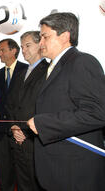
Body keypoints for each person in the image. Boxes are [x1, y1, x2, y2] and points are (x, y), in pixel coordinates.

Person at [26, 12, 105, 191]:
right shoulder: (52, 68)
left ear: (65, 36)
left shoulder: (83, 62)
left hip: (75, 172)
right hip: (56, 169)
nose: (41, 43)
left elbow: (98, 112)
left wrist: (45, 124)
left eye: (45, 36)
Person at [5, 31, 49, 191]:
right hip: (17, 140)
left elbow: (47, 107)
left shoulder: (49, 71)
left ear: (40, 44)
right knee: (23, 184)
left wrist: (25, 131)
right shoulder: (19, 74)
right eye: (22, 46)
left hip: (36, 141)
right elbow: (9, 105)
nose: (23, 50)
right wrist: (14, 126)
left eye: (28, 45)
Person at [0, 38, 27, 191]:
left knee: (23, 174)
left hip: (21, 131)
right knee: (5, 173)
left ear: (13, 51)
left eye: (2, 50)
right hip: (2, 131)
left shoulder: (27, 70)